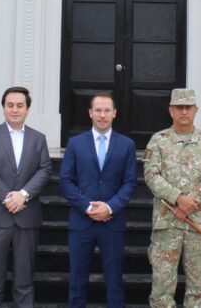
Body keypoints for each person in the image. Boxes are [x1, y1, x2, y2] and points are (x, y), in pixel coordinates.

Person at [144, 87, 201, 308]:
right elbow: (151, 175)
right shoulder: (158, 140)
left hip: (198, 225)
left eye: (188, 107)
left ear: (195, 110)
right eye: (179, 107)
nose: (184, 112)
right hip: (166, 225)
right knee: (161, 290)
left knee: (198, 291)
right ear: (171, 110)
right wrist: (178, 198)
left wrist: (190, 203)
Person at [58, 92, 138, 308]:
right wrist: (87, 206)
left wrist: (110, 207)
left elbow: (130, 183)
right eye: (98, 110)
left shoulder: (127, 145)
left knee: (114, 282)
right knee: (77, 281)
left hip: (112, 223)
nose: (103, 115)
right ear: (90, 113)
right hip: (81, 222)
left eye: (107, 110)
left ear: (114, 113)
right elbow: (65, 181)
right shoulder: (75, 143)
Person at [0, 86, 52, 307]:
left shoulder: (38, 139)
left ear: (27, 109)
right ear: (3, 108)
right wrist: (8, 198)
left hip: (26, 217)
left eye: (20, 106)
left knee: (24, 282)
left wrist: (23, 195)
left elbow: (45, 169)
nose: (14, 110)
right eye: (10, 105)